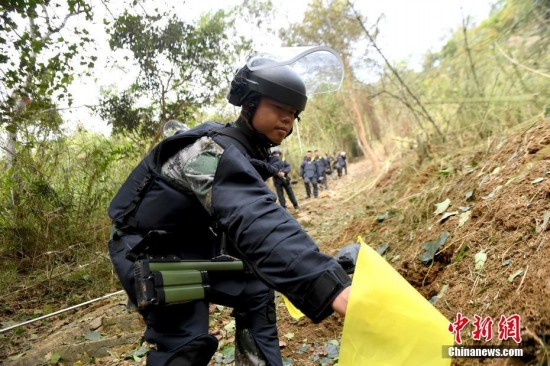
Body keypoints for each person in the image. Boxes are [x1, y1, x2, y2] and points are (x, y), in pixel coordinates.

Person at [107, 50, 351, 366]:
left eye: (293, 112)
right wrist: (330, 287)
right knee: (186, 343)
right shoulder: (205, 153)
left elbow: (252, 225)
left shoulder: (248, 154)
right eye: (278, 107)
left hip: (192, 248)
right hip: (145, 251)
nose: (287, 118)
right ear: (249, 105)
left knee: (257, 289)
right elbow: (253, 217)